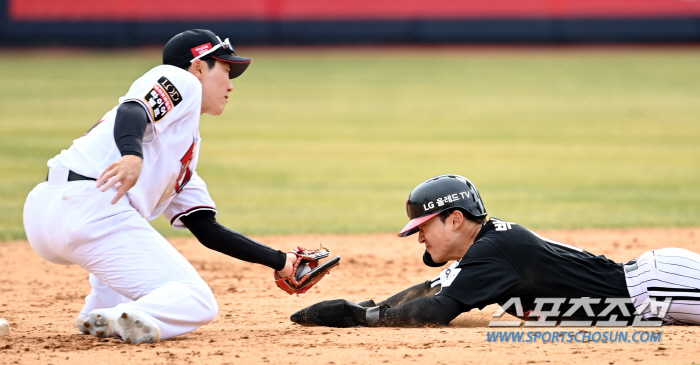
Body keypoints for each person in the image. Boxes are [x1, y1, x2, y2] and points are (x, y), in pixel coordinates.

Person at [23, 29, 310, 344]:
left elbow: (206, 229)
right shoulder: (181, 80)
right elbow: (133, 110)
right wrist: (132, 154)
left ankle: (103, 311)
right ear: (198, 67)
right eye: (226, 70)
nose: (230, 85)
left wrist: (281, 261)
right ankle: (126, 315)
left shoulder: (179, 154)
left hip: (51, 212)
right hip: (89, 208)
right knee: (198, 301)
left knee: (133, 230)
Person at [291, 174, 700, 328]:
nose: (419, 239)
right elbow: (432, 288)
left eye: (423, 227)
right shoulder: (488, 249)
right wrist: (372, 306)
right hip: (653, 292)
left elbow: (437, 310)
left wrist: (360, 318)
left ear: (454, 219)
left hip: (657, 289)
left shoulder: (494, 249)